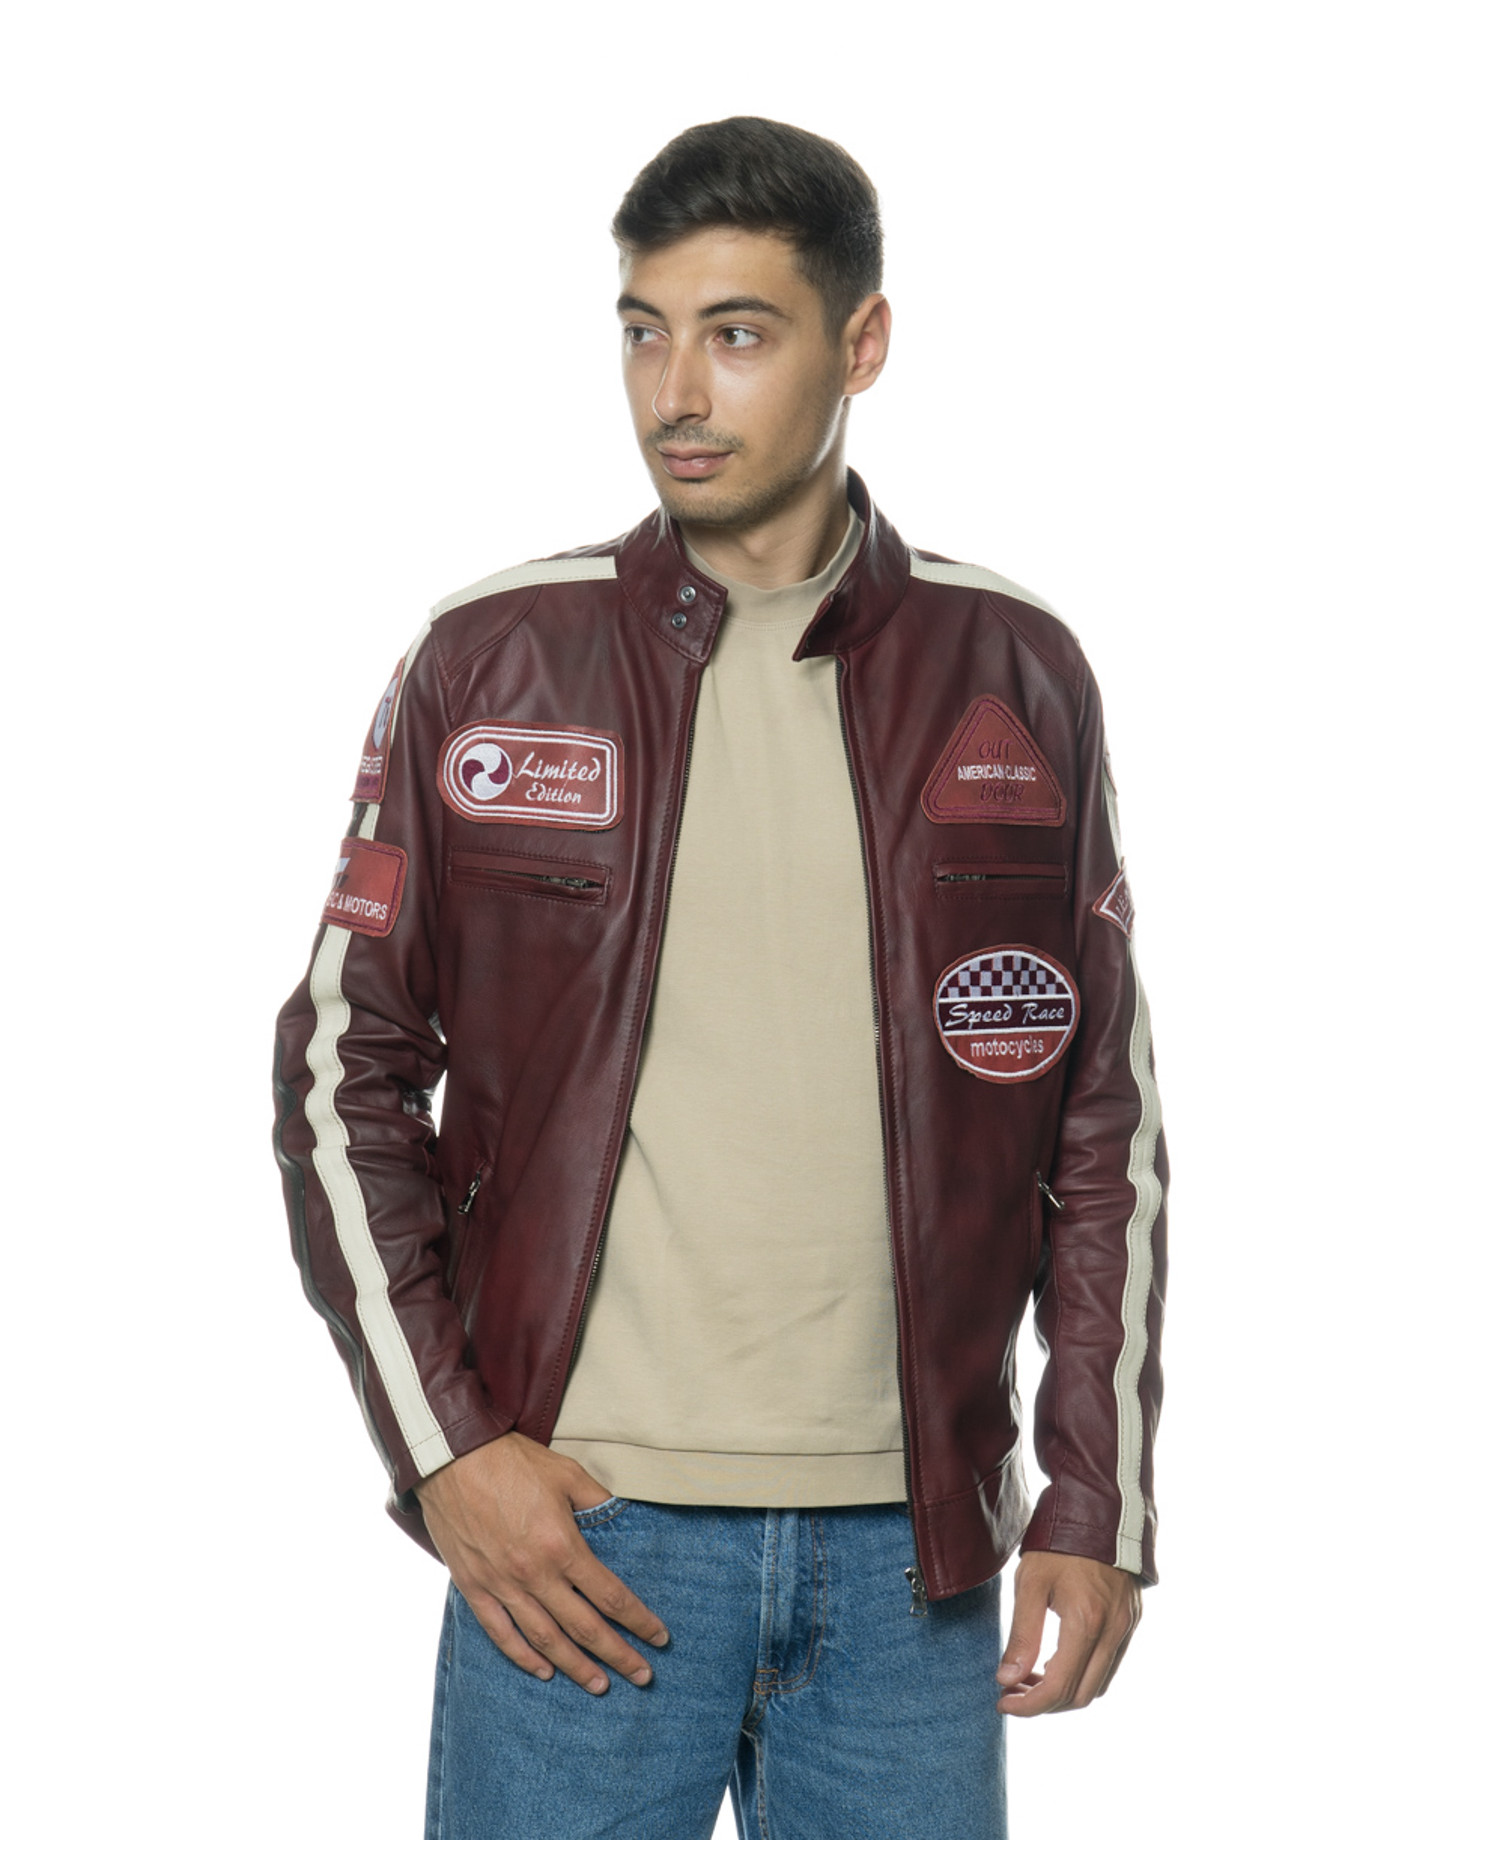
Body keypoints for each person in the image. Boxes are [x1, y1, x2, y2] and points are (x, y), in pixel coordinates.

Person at [272, 115, 1167, 1842]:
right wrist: (449, 1453)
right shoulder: (491, 656)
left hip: (914, 1559)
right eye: (644, 331)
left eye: (738, 334)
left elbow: (1099, 1120)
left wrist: (1096, 1498)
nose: (676, 391)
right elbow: (336, 1076)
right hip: (580, 1538)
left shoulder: (1016, 667)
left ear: (863, 343)